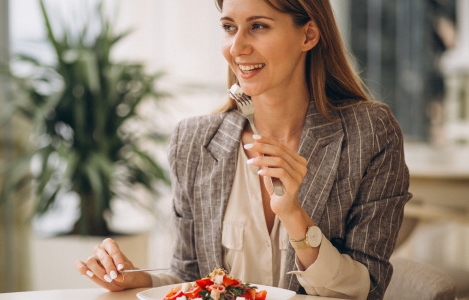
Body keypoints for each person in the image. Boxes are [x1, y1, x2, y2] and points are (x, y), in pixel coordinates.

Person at [75, 0, 412, 299]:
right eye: (228, 27)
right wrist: (134, 279)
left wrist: (294, 217)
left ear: (308, 35)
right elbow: (191, 275)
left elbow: (367, 289)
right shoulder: (193, 141)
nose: (236, 47)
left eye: (258, 26)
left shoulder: (369, 132)